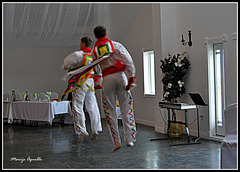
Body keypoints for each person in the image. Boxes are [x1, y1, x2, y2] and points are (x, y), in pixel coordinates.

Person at [92, 26, 137, 152]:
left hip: (107, 79)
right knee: (126, 108)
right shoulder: (116, 45)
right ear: (106, 33)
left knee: (110, 111)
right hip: (120, 77)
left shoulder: (94, 51)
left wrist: (97, 82)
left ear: (95, 36)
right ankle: (129, 139)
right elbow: (128, 60)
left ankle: (116, 142)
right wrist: (131, 76)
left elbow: (95, 69)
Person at [62, 37, 102, 144]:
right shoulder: (93, 55)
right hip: (90, 81)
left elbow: (66, 63)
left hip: (81, 82)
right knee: (92, 105)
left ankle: (82, 130)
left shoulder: (79, 55)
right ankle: (95, 128)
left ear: (83, 43)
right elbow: (98, 70)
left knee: (77, 105)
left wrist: (66, 67)